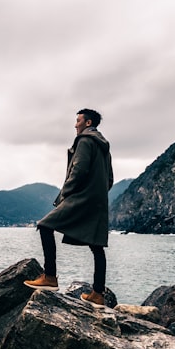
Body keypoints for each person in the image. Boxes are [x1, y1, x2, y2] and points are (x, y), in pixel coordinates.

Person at [25, 108, 114, 307]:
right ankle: (98, 294)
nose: (75, 125)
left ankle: (50, 276)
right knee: (97, 246)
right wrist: (97, 193)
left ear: (88, 123)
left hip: (81, 198)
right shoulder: (104, 147)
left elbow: (78, 170)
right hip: (98, 201)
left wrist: (65, 195)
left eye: (78, 121)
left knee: (45, 225)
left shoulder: (85, 140)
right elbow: (109, 179)